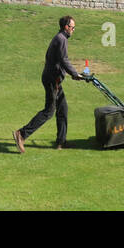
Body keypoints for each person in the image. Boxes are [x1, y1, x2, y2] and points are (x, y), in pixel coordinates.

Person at [14, 15, 90, 153]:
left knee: (63, 109)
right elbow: (64, 60)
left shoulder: (60, 38)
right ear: (66, 27)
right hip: (52, 80)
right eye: (72, 27)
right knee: (49, 111)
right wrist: (75, 74)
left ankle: (61, 141)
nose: (74, 30)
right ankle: (22, 134)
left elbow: (60, 61)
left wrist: (71, 74)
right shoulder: (61, 39)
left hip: (54, 79)